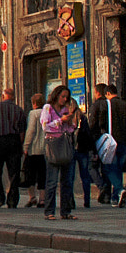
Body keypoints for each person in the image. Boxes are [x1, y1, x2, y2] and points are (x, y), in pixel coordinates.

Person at [42, 86, 82, 220]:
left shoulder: (65, 110)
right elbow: (45, 126)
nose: (64, 99)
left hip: (65, 144)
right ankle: (49, 211)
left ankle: (66, 211)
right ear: (56, 95)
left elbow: (69, 129)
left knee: (67, 181)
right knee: (52, 181)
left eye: (67, 97)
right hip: (53, 145)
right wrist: (60, 121)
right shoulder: (48, 108)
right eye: (62, 96)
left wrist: (72, 123)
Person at [88, 84, 126, 208]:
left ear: (107, 93)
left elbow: (100, 123)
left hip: (111, 142)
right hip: (124, 142)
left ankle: (119, 189)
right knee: (118, 169)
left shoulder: (106, 105)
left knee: (108, 168)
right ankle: (115, 197)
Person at [0, 88, 26, 209]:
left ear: (3, 96)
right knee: (14, 172)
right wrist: (20, 144)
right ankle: (12, 201)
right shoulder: (19, 110)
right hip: (14, 141)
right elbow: (22, 132)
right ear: (13, 97)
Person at [22, 92, 46, 208]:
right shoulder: (48, 113)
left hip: (34, 149)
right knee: (42, 174)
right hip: (45, 150)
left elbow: (31, 130)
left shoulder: (33, 114)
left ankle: (32, 197)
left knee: (30, 174)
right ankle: (42, 199)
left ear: (34, 103)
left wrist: (25, 146)